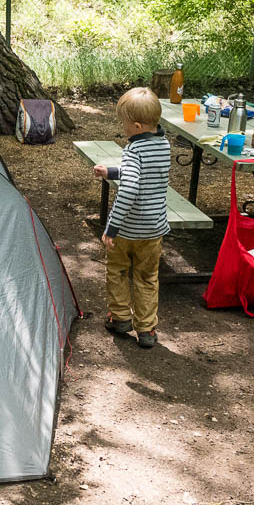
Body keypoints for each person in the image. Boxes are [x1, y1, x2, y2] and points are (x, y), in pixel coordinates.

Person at [92, 87, 171, 348]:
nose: (122, 128)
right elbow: (142, 175)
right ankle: (147, 330)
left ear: (136, 126)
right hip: (153, 230)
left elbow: (130, 188)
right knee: (147, 277)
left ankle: (121, 318)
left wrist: (112, 227)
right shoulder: (163, 145)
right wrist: (112, 171)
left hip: (126, 230)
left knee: (117, 271)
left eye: (123, 124)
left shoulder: (134, 151)